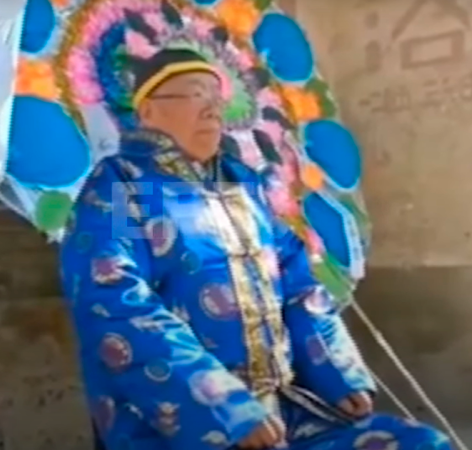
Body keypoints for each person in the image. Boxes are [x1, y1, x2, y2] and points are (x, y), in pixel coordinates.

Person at [60, 48, 451, 450]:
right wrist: (224, 407)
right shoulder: (122, 186)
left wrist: (338, 374)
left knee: (420, 443)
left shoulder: (243, 183)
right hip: (181, 426)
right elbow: (113, 302)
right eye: (195, 94)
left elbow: (298, 283)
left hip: (285, 410)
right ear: (148, 112)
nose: (212, 108)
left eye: (216, 96)